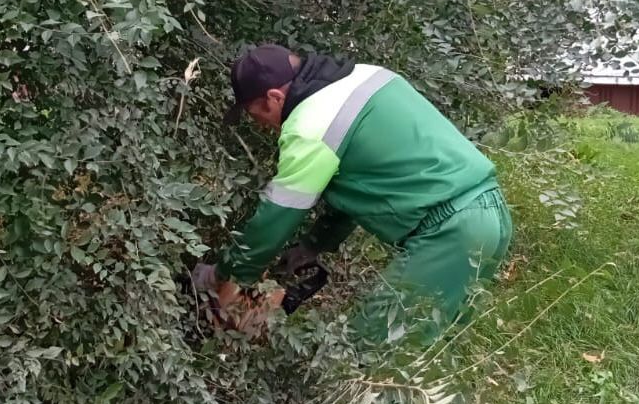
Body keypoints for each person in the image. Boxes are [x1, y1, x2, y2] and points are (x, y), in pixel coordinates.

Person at [207, 44, 513, 345]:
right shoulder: (366, 76)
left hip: (450, 233)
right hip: (488, 213)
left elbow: (276, 218)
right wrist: (315, 245)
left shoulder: (310, 126)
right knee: (425, 351)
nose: (262, 126)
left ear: (274, 98)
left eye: (256, 115)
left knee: (363, 355)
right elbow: (364, 181)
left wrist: (227, 275)